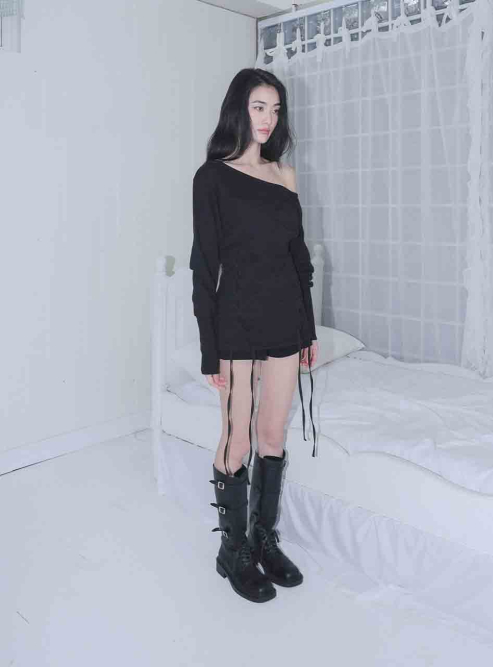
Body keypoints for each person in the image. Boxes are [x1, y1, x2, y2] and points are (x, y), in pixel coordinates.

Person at [189, 68, 319, 604]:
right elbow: (204, 268)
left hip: (285, 320)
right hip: (236, 324)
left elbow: (298, 258)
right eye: (258, 107)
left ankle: (263, 539)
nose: (268, 119)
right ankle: (233, 549)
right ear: (238, 109)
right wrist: (210, 350)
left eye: (275, 109)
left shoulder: (284, 175)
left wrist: (308, 328)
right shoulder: (212, 178)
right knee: (236, 441)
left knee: (272, 436)